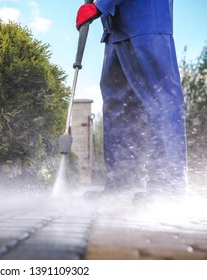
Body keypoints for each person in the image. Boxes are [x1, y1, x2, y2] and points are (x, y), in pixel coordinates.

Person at [76, 0, 187, 200]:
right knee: (118, 106)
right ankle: (123, 182)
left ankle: (167, 187)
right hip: (115, 28)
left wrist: (99, 5)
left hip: (146, 23)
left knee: (160, 99)